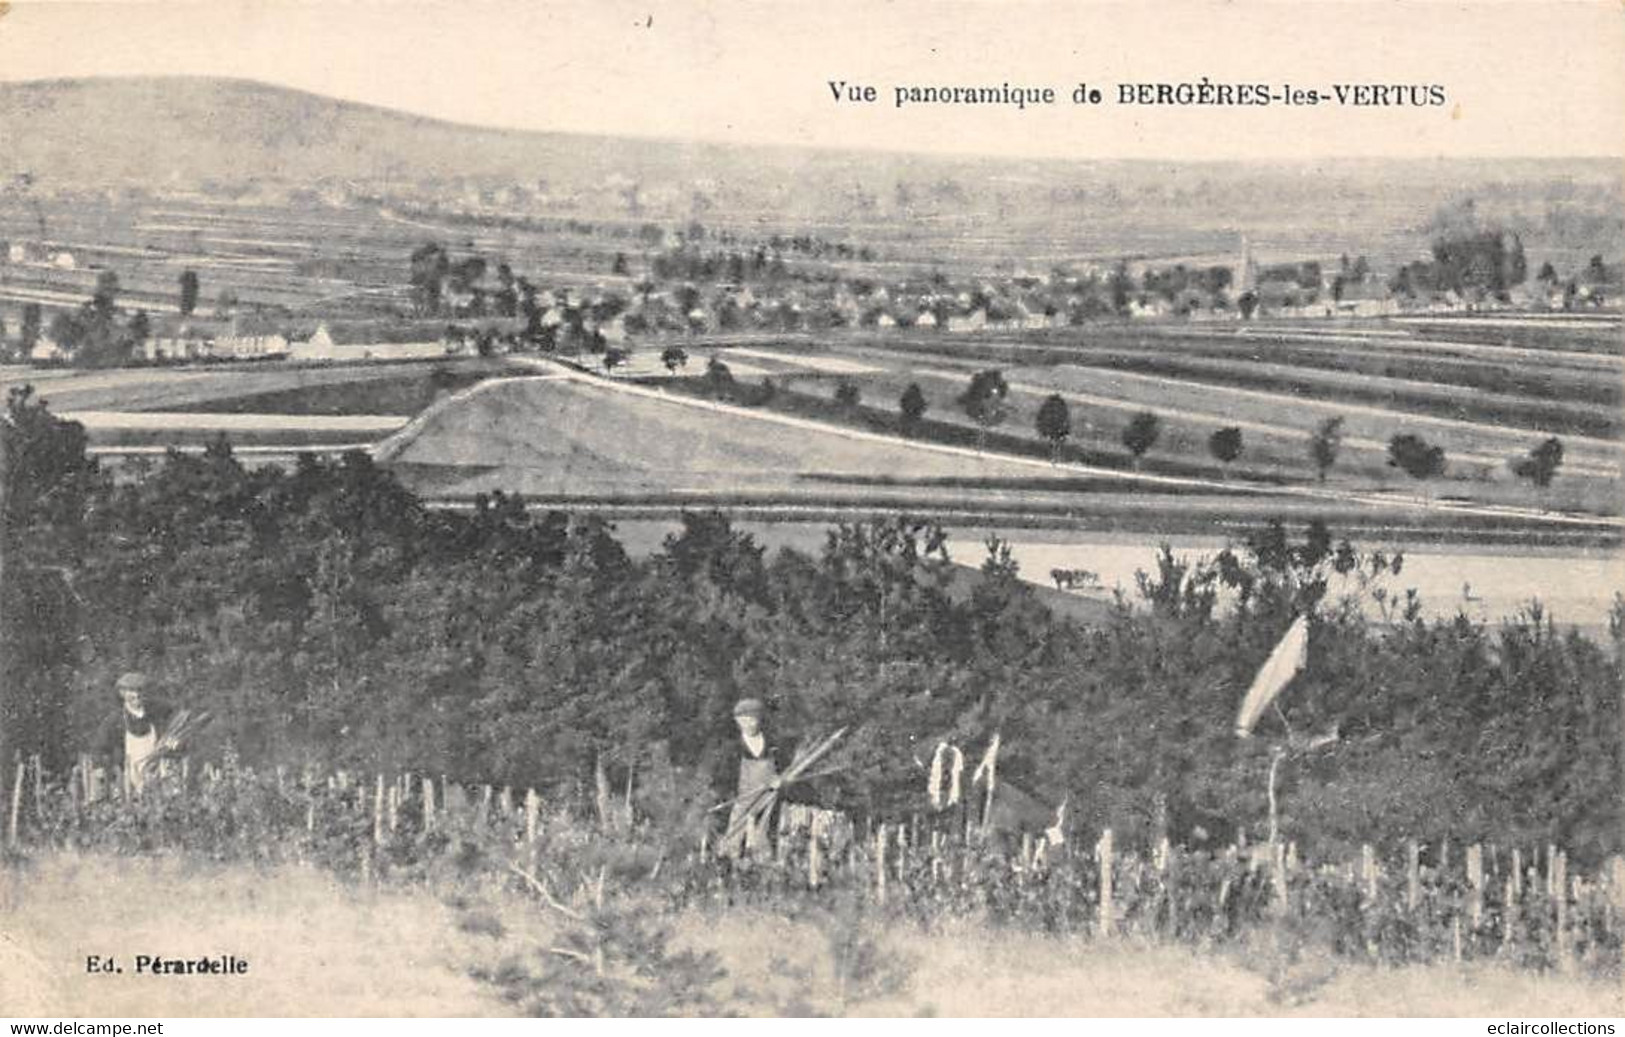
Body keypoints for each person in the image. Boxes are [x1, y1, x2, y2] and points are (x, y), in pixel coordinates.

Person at [718, 697, 791, 862]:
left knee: (764, 835)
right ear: (737, 721)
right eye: (743, 720)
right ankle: (729, 867)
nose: (748, 724)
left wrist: (780, 780)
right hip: (742, 799)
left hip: (769, 799)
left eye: (752, 719)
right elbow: (725, 776)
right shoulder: (734, 747)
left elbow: (784, 769)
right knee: (734, 837)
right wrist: (733, 795)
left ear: (759, 720)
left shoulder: (773, 743)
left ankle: (762, 867)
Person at [93, 672, 174, 794]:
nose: (136, 695)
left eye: (140, 690)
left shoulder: (157, 716)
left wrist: (173, 744)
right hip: (126, 779)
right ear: (122, 693)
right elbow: (99, 748)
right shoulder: (114, 720)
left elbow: (169, 740)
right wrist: (99, 767)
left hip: (156, 778)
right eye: (131, 691)